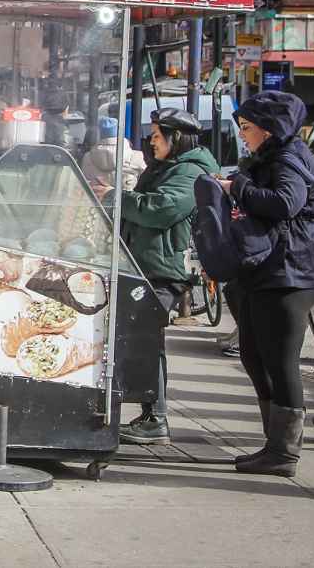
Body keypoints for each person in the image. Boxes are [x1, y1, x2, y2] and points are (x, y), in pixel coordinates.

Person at [221, 91, 314, 476]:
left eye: (247, 128)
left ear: (269, 129)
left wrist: (237, 189)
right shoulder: (269, 157)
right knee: (253, 354)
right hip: (266, 271)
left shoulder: (288, 158)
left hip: (289, 273)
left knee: (280, 363)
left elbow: (286, 203)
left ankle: (284, 453)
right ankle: (273, 444)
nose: (243, 135)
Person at [116, 109, 218, 446]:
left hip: (163, 269)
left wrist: (118, 198)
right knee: (145, 339)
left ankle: (156, 418)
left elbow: (160, 210)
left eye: (158, 136)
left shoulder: (190, 172)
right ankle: (150, 414)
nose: (152, 142)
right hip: (148, 264)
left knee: (147, 339)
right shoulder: (169, 167)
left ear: (176, 138)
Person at [81, 116, 146, 199]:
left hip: (96, 210)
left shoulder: (87, 158)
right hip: (127, 208)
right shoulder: (137, 156)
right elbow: (147, 184)